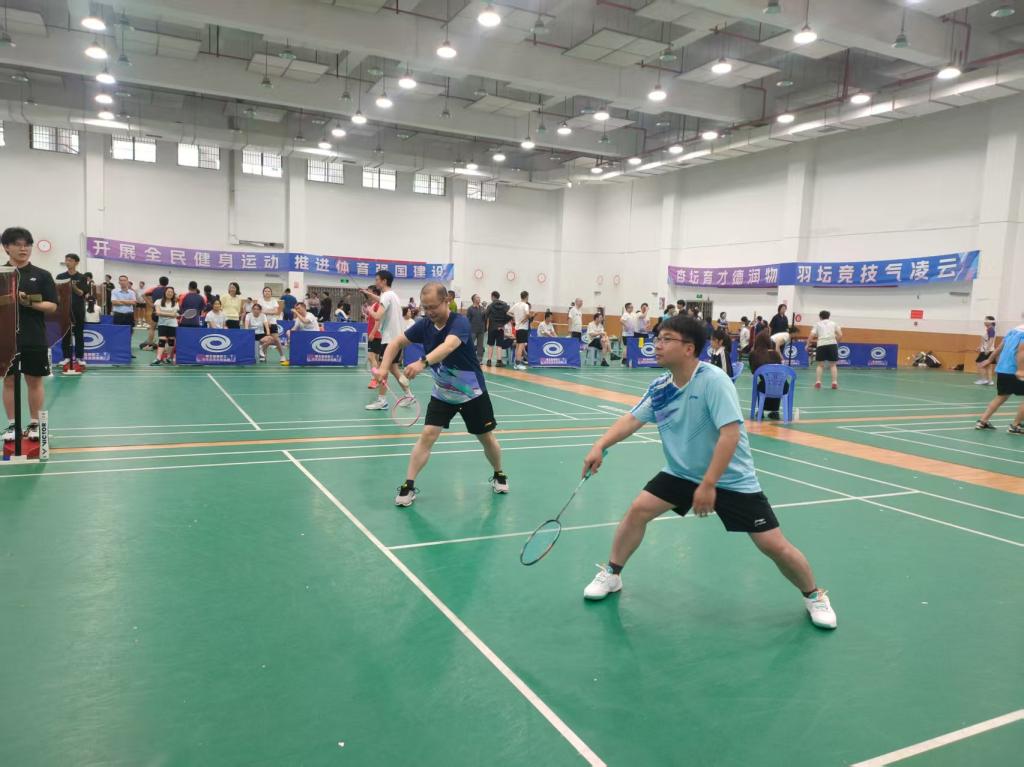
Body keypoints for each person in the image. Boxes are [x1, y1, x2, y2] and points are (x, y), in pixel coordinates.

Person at [578, 315, 837, 629]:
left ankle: (814, 595)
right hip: (681, 473)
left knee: (773, 544)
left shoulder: (714, 381)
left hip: (731, 479)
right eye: (658, 338)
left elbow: (730, 435)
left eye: (666, 339)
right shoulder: (661, 387)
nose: (657, 345)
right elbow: (632, 419)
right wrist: (600, 445)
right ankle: (613, 573)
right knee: (637, 511)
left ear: (689, 348)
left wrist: (709, 484)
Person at [373, 282, 509, 507]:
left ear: (447, 301)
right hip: (443, 393)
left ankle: (499, 473)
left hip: (472, 393)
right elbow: (396, 342)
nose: (429, 312)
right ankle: (408, 485)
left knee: (486, 438)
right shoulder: (424, 324)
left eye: (433, 306)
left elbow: (449, 346)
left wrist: (422, 362)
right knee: (427, 435)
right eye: (425, 307)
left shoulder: (459, 322)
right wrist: (384, 368)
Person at [2, 228, 57, 443]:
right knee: (9, 381)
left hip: (34, 335)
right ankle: (12, 425)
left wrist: (28, 301)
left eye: (27, 244)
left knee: (34, 380)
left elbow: (52, 306)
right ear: (6, 247)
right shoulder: (1, 274)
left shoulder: (42, 275)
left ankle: (34, 424)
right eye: (17, 244)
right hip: (4, 338)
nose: (23, 248)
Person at [363, 269, 413, 409]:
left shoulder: (386, 296)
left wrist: (369, 310)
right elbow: (382, 300)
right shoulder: (393, 295)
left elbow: (378, 316)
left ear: (384, 281)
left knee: (382, 369)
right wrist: (370, 295)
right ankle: (409, 396)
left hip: (389, 340)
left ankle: (382, 401)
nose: (375, 282)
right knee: (394, 369)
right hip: (397, 338)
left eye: (377, 280)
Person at [975, 323, 1024, 433]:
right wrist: (1021, 369)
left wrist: (989, 359)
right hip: (1015, 370)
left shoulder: (1013, 331)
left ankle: (982, 421)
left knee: (1001, 396)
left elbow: (1000, 347)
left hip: (1002, 369)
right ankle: (1015, 426)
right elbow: (1022, 351)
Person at [56, 253, 89, 372]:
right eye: (66, 260)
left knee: (79, 333)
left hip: (78, 309)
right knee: (65, 334)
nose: (67, 262)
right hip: (64, 309)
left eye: (70, 260)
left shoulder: (82, 277)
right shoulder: (60, 276)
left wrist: (73, 286)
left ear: (76, 262)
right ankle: (66, 357)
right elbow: (57, 293)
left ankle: (79, 357)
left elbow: (81, 293)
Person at [749, 329, 786, 420]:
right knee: (776, 381)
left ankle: (761, 411)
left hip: (765, 386)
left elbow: (754, 372)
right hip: (784, 386)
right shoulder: (775, 354)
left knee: (763, 384)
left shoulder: (753, 354)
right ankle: (775, 411)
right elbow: (779, 370)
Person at [810, 310, 842, 389]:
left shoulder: (817, 324)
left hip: (821, 344)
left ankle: (818, 382)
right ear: (828, 316)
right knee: (833, 365)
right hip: (832, 344)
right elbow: (840, 335)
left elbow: (811, 335)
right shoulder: (834, 323)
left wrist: (807, 344)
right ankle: (834, 383)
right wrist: (836, 342)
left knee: (820, 365)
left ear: (820, 317)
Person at [151, 287, 179, 365]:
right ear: (165, 292)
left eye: (171, 292)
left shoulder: (175, 303)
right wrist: (171, 314)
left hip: (172, 324)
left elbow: (174, 315)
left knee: (171, 341)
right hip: (162, 324)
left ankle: (168, 357)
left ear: (173, 294)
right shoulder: (158, 301)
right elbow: (157, 312)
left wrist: (162, 313)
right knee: (162, 340)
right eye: (168, 291)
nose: (169, 293)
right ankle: (158, 358)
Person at [483, 290, 511, 367]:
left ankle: (489, 361)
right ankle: (499, 362)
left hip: (492, 327)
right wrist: (503, 323)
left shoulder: (490, 306)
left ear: (493, 296)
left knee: (490, 344)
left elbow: (485, 315)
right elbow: (510, 315)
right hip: (500, 327)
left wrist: (486, 324)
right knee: (499, 345)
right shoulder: (505, 305)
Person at [364, 286, 383, 390]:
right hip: (373, 334)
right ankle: (378, 378)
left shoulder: (378, 305)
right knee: (374, 358)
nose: (368, 294)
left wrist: (372, 333)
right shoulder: (374, 305)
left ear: (375, 293)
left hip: (376, 335)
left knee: (371, 357)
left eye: (369, 292)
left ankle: (375, 379)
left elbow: (378, 321)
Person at [510, 290, 532, 371]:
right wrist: (525, 319)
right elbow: (528, 314)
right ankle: (518, 364)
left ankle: (516, 364)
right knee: (521, 347)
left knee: (518, 346)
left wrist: (515, 318)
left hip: (517, 328)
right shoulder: (525, 305)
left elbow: (508, 313)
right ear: (527, 297)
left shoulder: (516, 305)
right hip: (523, 328)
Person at [975, 316, 997, 385]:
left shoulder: (991, 330)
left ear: (991, 322)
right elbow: (984, 340)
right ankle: (990, 381)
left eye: (986, 320)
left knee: (980, 364)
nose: (984, 321)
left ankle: (983, 380)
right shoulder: (988, 330)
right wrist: (979, 347)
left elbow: (991, 340)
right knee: (988, 366)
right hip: (988, 350)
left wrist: (987, 349)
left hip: (987, 351)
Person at [466, 293, 486, 361]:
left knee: (480, 345)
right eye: (477, 297)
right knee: (470, 345)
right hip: (473, 330)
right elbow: (467, 320)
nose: (479, 299)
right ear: (474, 299)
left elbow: (485, 319)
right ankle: (469, 358)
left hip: (481, 330)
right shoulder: (470, 309)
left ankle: (479, 359)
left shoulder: (482, 308)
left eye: (479, 297)